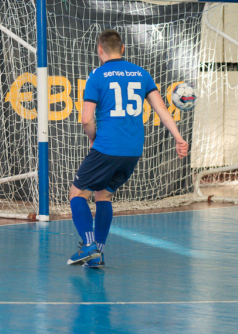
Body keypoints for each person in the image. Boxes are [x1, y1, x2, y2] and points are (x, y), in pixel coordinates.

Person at [68, 29, 189, 268]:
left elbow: (86, 119)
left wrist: (93, 138)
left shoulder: (97, 75)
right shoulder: (141, 73)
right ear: (123, 49)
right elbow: (162, 110)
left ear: (99, 50)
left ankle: (89, 245)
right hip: (132, 151)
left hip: (107, 147)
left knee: (77, 194)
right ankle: (98, 254)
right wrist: (179, 138)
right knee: (104, 195)